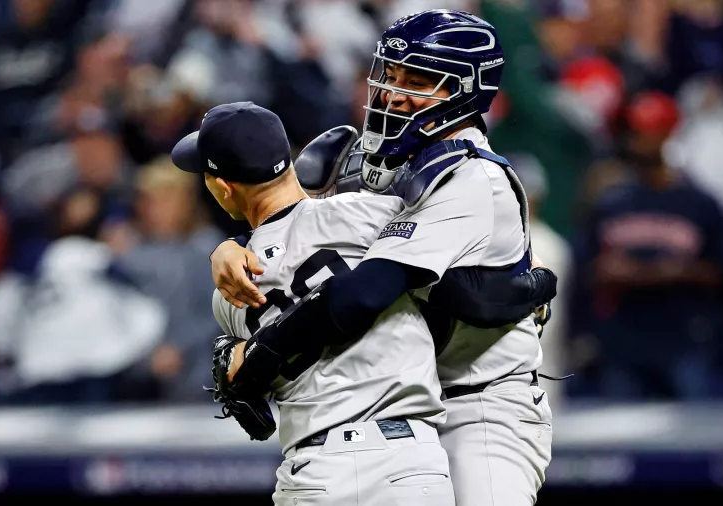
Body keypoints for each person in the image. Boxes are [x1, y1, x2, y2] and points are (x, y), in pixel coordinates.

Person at [212, 10, 555, 505]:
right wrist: (227, 248)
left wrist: (263, 355)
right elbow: (292, 233)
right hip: (406, 407)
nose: (394, 93)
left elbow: (364, 292)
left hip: (481, 402)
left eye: (418, 80)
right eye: (390, 76)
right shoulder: (385, 160)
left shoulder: (472, 178)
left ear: (465, 89)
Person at [171, 101, 455, 506]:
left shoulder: (229, 293)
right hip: (408, 462)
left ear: (223, 187)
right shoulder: (371, 214)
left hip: (317, 470)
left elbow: (243, 371)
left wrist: (228, 248)